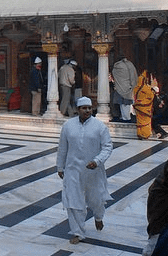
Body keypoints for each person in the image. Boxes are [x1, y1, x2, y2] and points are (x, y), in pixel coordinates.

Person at [56, 96, 113, 244]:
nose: (87, 110)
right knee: (73, 200)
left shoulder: (99, 126)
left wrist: (97, 161)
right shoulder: (68, 126)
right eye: (84, 108)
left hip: (93, 171)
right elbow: (63, 147)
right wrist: (60, 166)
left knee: (96, 199)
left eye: (89, 108)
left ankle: (98, 216)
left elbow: (107, 147)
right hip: (73, 170)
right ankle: (77, 232)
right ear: (77, 109)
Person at [112, 55, 137, 122]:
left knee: (123, 104)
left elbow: (114, 73)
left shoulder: (117, 65)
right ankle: (126, 117)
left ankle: (125, 117)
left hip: (120, 87)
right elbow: (133, 75)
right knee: (126, 104)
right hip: (129, 87)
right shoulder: (130, 64)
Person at [133, 70, 155, 139]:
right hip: (145, 107)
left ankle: (140, 134)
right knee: (146, 121)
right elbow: (151, 96)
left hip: (138, 107)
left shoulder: (135, 88)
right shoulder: (146, 88)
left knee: (139, 121)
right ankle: (145, 134)